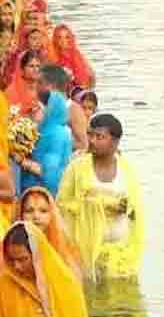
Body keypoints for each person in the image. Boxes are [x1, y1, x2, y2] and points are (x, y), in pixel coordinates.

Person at [57, 114, 145, 281]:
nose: (92, 140)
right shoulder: (77, 169)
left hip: (120, 254)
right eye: (90, 135)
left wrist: (124, 207)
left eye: (100, 137)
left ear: (115, 142)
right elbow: (61, 206)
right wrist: (94, 205)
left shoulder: (127, 170)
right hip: (84, 252)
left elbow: (135, 212)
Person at [0, 222, 87, 317]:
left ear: (38, 256)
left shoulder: (65, 284)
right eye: (11, 260)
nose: (16, 266)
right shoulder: (3, 286)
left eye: (23, 259)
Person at [19, 88, 73, 196]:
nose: (32, 113)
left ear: (49, 110)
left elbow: (49, 174)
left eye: (37, 109)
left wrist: (22, 161)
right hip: (30, 191)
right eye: (31, 110)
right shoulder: (39, 131)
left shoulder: (57, 134)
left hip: (47, 195)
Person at [18, 186, 81, 277]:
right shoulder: (11, 247)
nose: (36, 216)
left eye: (43, 211)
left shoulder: (63, 250)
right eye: (29, 211)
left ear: (52, 214)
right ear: (20, 214)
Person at [40, 64, 88, 152]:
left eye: (40, 83)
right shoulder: (42, 106)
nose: (36, 87)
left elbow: (83, 144)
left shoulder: (73, 109)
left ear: (51, 86)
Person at [50, 25, 95, 90]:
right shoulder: (52, 56)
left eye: (67, 37)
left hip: (80, 91)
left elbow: (90, 77)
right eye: (59, 37)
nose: (63, 41)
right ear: (55, 39)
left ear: (71, 38)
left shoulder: (76, 55)